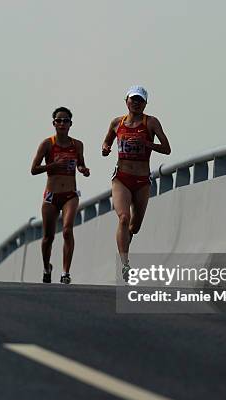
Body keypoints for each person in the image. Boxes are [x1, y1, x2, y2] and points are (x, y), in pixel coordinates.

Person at [101, 86, 171, 281]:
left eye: (140, 100)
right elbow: (106, 142)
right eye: (133, 99)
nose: (136, 103)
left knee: (135, 226)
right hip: (121, 178)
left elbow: (167, 149)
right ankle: (125, 264)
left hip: (142, 180)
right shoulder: (117, 123)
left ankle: (126, 241)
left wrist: (147, 144)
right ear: (126, 101)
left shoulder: (151, 123)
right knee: (123, 217)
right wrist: (106, 148)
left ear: (145, 104)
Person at [31, 107, 90, 284]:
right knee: (48, 237)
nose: (62, 124)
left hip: (70, 195)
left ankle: (65, 273)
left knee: (67, 230)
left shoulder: (77, 145)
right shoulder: (47, 144)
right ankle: (46, 267)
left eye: (66, 121)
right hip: (51, 195)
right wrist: (52, 166)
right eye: (59, 120)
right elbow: (33, 169)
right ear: (54, 123)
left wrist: (83, 169)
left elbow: (80, 164)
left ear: (71, 124)